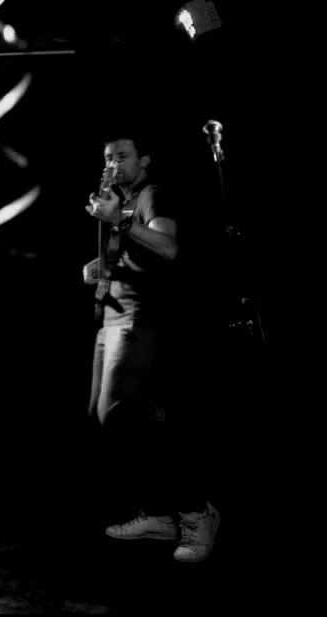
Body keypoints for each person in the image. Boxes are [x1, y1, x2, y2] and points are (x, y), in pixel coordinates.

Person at [83, 133, 220, 563]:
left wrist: (119, 221)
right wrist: (97, 267)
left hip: (140, 322)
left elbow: (168, 246)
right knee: (109, 421)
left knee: (124, 418)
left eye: (122, 156)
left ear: (143, 160)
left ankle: (197, 512)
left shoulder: (151, 195)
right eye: (108, 157)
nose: (113, 163)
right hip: (111, 319)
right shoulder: (116, 202)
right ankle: (161, 515)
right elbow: (131, 255)